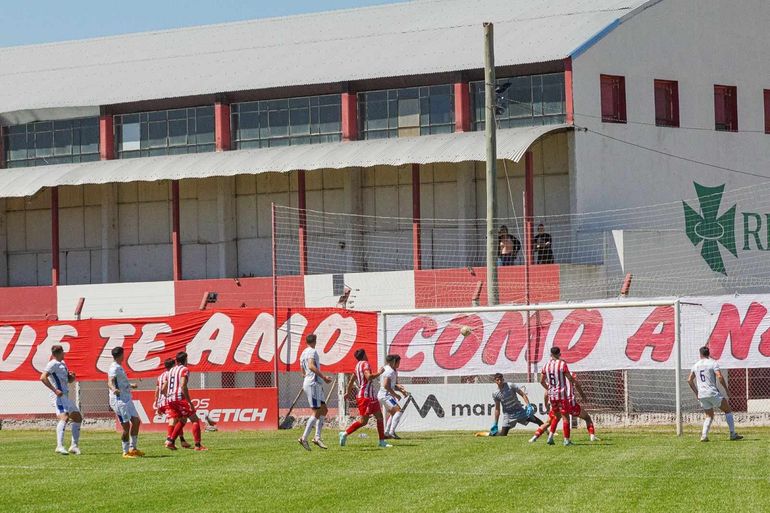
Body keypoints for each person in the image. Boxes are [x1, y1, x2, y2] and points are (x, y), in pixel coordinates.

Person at [688, 346, 742, 442]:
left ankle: (704, 436)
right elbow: (720, 377)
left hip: (702, 395)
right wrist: (726, 389)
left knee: (709, 415)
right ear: (708, 353)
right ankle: (732, 434)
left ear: (700, 354)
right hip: (712, 392)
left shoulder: (695, 365)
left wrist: (697, 393)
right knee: (728, 410)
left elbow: (689, 380)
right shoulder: (713, 363)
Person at [339, 349, 391, 448]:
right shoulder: (365, 364)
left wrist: (348, 392)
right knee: (364, 421)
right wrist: (379, 372)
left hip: (371, 396)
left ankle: (382, 441)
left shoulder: (357, 365)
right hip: (365, 397)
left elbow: (351, 381)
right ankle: (344, 433)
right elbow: (369, 377)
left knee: (379, 417)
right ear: (364, 355)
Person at [39, 345, 82, 455]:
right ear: (57, 353)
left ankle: (74, 446)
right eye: (63, 352)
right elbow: (43, 377)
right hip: (58, 396)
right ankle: (59, 446)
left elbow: (68, 380)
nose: (64, 354)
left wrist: (72, 377)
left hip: (65, 396)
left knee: (77, 417)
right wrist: (55, 390)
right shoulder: (52, 363)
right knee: (64, 417)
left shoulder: (62, 364)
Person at [164, 352, 207, 451]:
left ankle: (171, 441)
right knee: (195, 419)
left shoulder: (171, 370)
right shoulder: (184, 369)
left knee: (182, 420)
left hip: (170, 399)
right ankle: (198, 445)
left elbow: (165, 386)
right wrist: (189, 402)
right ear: (185, 360)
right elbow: (183, 385)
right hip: (179, 398)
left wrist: (170, 395)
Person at [535, 347, 577, 446]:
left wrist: (549, 388)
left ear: (551, 354)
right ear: (559, 354)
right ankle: (566, 440)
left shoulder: (546, 365)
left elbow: (541, 381)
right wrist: (573, 382)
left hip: (552, 395)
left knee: (556, 416)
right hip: (561, 395)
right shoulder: (562, 364)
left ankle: (550, 437)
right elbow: (568, 377)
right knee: (565, 417)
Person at [107, 346, 143, 458]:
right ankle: (125, 451)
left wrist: (130, 385)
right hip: (119, 400)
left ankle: (133, 448)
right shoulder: (114, 368)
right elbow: (110, 382)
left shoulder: (119, 367)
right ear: (121, 355)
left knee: (136, 421)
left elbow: (120, 382)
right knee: (126, 426)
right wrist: (114, 389)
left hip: (126, 398)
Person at [298, 334, 333, 451]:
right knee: (316, 411)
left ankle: (317, 437)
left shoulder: (302, 353)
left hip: (312, 383)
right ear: (315, 341)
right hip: (313, 384)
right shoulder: (312, 352)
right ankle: (304, 438)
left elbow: (302, 371)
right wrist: (323, 377)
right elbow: (311, 366)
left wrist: (309, 376)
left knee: (324, 409)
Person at [154, 358, 190, 449]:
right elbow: (163, 389)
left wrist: (157, 403)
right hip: (168, 400)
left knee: (178, 419)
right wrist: (168, 396)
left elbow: (157, 390)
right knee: (174, 420)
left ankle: (182, 440)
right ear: (174, 365)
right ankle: (169, 439)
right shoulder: (170, 374)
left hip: (161, 402)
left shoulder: (160, 376)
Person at [378, 355, 409, 439]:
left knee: (393, 414)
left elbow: (393, 385)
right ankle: (391, 432)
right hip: (385, 395)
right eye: (398, 362)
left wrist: (402, 391)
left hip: (386, 395)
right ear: (393, 362)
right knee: (399, 411)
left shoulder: (393, 370)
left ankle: (387, 433)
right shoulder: (389, 371)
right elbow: (386, 386)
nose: (399, 364)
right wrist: (396, 395)